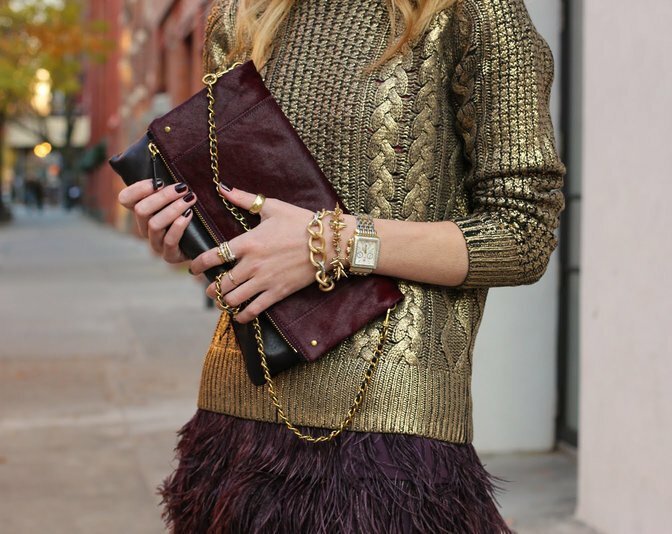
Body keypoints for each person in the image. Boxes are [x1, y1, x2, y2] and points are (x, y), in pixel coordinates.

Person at [117, 0, 565, 531]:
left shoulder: (472, 11)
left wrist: (336, 243)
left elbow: (523, 234)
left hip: (391, 441)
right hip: (236, 416)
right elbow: (243, 210)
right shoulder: (242, 13)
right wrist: (183, 234)